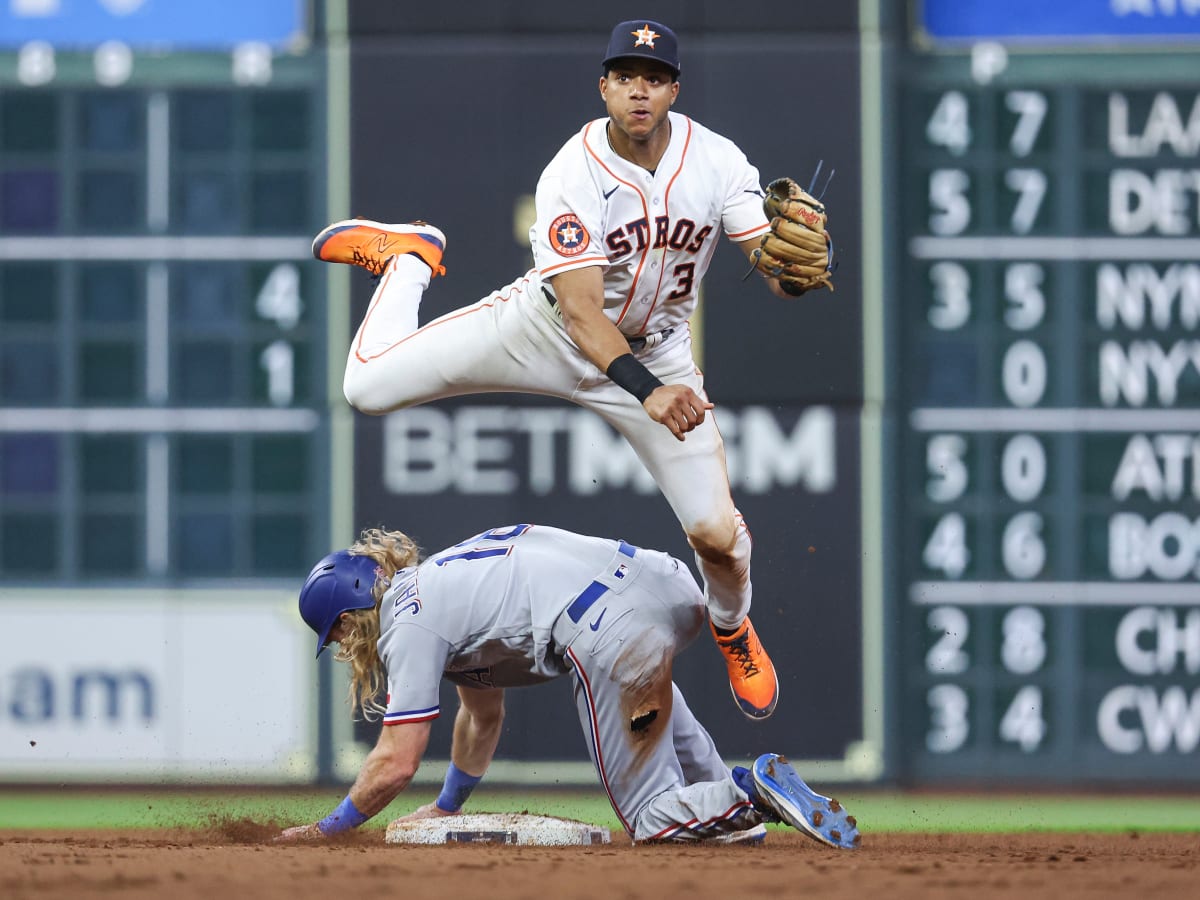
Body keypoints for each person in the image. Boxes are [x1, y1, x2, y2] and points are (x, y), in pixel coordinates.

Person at [311, 19, 823, 720]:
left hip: (660, 347)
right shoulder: (572, 173)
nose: (638, 91)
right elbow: (583, 317)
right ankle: (409, 260)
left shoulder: (717, 162)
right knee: (365, 388)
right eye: (625, 77)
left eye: (653, 78)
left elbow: (777, 270)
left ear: (674, 88)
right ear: (604, 86)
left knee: (717, 538)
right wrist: (648, 392)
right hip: (546, 329)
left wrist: (798, 263)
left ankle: (732, 628)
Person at [276, 523, 859, 848]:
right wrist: (447, 806)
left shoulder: (407, 620)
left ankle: (750, 792)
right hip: (667, 589)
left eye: (341, 634)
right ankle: (736, 815)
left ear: (349, 620)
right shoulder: (442, 582)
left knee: (651, 819)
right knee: (706, 816)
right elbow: (482, 716)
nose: (348, 646)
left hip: (608, 627)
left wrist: (327, 831)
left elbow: (397, 760)